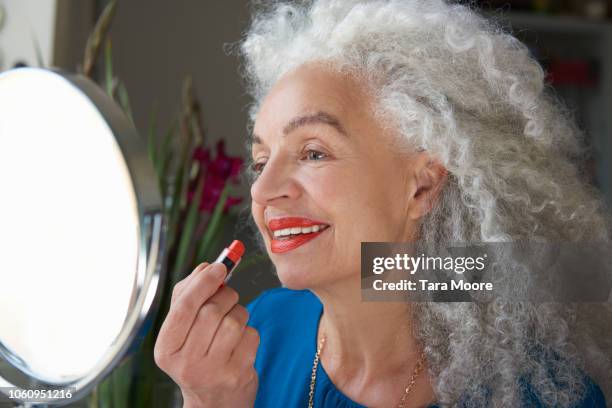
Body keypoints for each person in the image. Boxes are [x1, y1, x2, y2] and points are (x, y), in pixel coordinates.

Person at [154, 0, 612, 406]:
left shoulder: (542, 392)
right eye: (260, 160)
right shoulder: (254, 339)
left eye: (314, 152)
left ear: (422, 187)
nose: (262, 189)